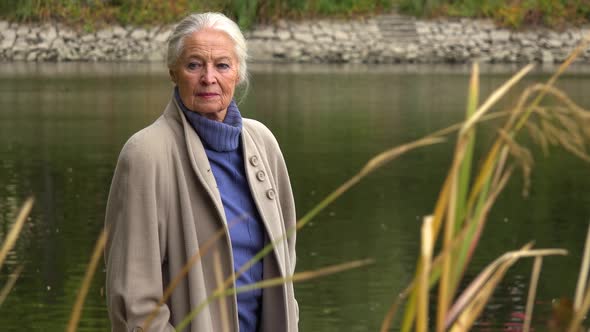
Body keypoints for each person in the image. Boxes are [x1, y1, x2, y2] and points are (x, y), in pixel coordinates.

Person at [104, 12, 298, 332]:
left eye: (222, 65)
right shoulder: (146, 154)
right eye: (194, 65)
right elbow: (133, 303)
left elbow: (285, 264)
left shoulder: (263, 143)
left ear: (238, 73)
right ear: (173, 72)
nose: (209, 78)